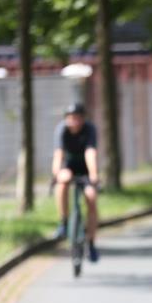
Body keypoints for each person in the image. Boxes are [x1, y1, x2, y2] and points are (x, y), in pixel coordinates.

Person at [52, 103, 101, 261]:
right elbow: (58, 154)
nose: (75, 122)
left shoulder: (89, 129)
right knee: (63, 181)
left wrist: (93, 174)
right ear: (67, 119)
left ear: (83, 119)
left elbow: (90, 152)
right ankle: (64, 222)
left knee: (91, 198)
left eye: (78, 118)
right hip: (69, 167)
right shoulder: (62, 130)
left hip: (85, 169)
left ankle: (91, 243)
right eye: (71, 118)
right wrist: (57, 173)